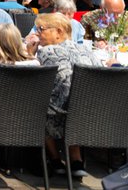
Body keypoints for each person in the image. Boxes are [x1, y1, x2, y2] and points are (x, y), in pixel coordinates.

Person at [25, 13, 100, 178]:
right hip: (91, 114)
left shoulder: (47, 52)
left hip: (59, 112)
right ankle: (76, 161)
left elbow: (31, 76)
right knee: (72, 106)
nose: (37, 33)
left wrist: (30, 54)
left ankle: (55, 160)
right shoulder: (86, 50)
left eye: (41, 29)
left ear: (58, 32)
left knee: (33, 106)